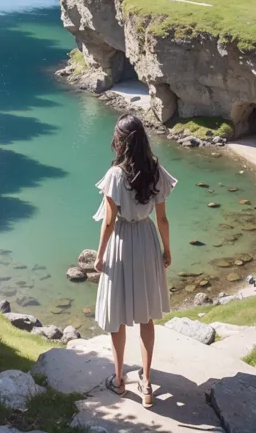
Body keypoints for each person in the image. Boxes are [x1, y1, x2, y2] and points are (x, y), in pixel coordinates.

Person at [94, 114, 176, 405]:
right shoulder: (155, 170)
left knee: (117, 315)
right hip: (146, 239)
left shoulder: (115, 175)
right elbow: (163, 219)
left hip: (122, 242)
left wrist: (100, 255)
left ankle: (118, 381)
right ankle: (147, 385)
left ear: (120, 141)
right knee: (146, 316)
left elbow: (108, 222)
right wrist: (167, 250)